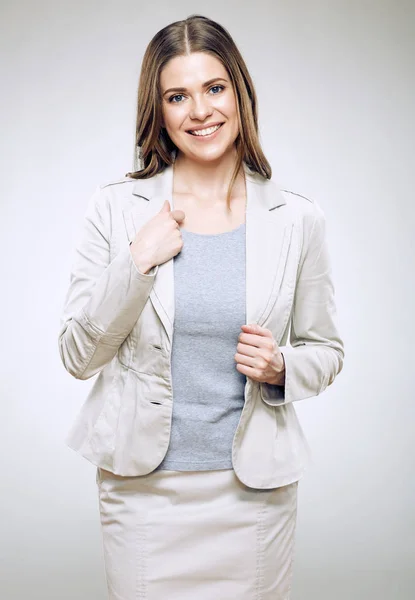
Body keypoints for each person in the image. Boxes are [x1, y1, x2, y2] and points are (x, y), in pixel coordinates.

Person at [58, 13, 344, 600]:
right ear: (158, 110)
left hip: (253, 496)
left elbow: (328, 350)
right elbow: (78, 356)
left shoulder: (296, 219)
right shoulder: (117, 210)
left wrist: (283, 367)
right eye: (177, 96)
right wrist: (136, 262)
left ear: (239, 93)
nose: (200, 111)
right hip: (142, 495)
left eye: (214, 88)